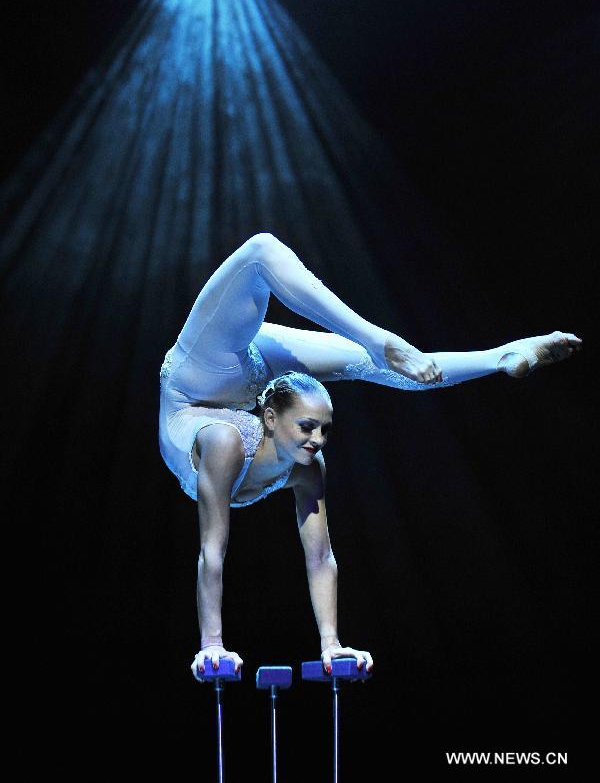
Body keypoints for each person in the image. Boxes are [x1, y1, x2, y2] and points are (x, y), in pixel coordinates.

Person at [158, 232, 582, 679]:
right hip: (194, 386)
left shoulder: (306, 466)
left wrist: (331, 644)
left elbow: (321, 557)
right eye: (307, 428)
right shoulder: (223, 444)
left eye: (324, 430)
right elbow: (212, 550)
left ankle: (500, 357)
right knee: (261, 249)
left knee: (385, 368)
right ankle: (378, 338)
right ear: (270, 418)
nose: (317, 441)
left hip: (249, 373)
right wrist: (211, 646)